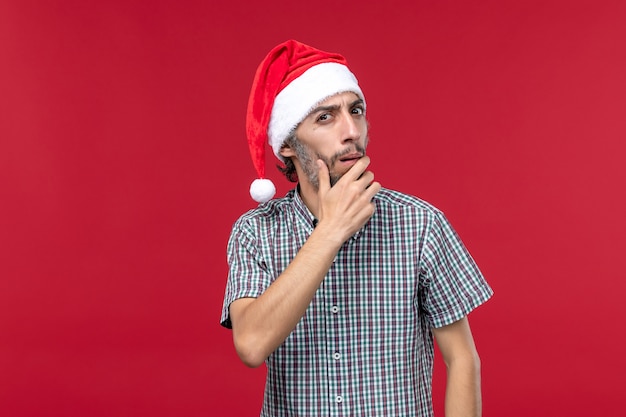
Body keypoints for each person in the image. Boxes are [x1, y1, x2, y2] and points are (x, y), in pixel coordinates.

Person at [220, 39, 493, 417]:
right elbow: (250, 344)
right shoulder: (255, 233)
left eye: (357, 110)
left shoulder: (420, 224)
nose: (352, 130)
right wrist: (329, 232)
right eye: (325, 117)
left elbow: (463, 359)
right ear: (287, 144)